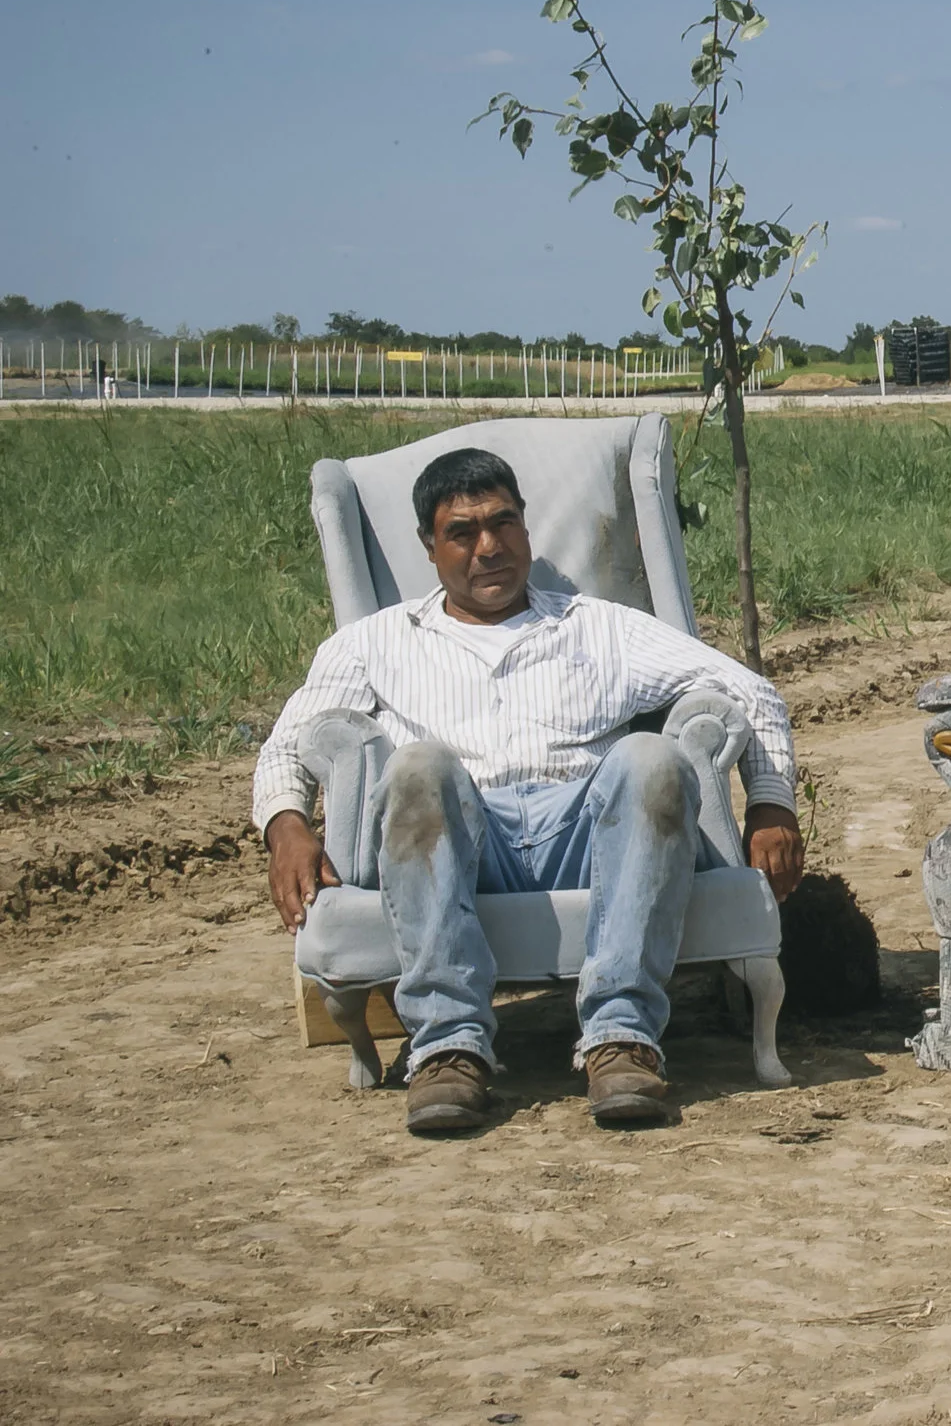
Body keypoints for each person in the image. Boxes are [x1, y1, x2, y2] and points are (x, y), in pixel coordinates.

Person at [255, 448, 803, 1135]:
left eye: (503, 523)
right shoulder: (375, 645)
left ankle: (621, 1039)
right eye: (463, 532)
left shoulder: (597, 627)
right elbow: (286, 742)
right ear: (430, 547)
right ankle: (449, 1050)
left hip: (585, 833)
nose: (489, 548)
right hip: (461, 839)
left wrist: (771, 802)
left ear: (525, 527)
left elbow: (751, 693)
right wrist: (287, 825)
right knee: (419, 764)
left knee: (650, 758)